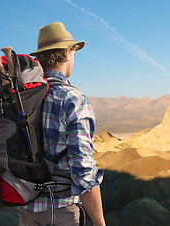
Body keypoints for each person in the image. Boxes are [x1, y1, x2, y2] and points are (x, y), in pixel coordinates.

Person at [19, 22, 106, 226]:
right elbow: (83, 172)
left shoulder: (22, 97)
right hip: (58, 213)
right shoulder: (72, 99)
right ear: (67, 53)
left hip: (25, 210)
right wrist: (100, 222)